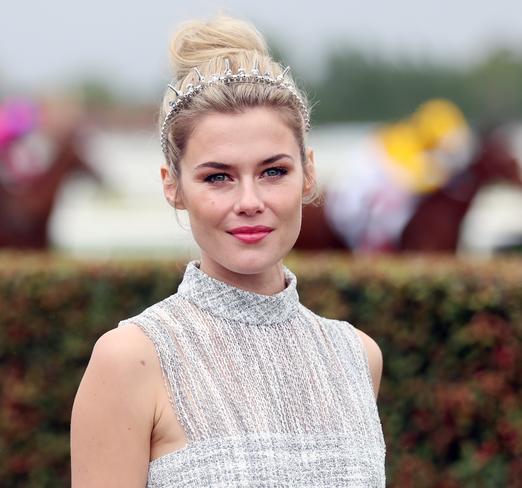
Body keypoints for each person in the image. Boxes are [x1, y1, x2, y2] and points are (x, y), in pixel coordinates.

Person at [71, 15, 386, 487]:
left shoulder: (357, 357)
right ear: (173, 187)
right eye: (218, 177)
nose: (249, 202)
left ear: (309, 172)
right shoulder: (131, 360)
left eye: (273, 171)